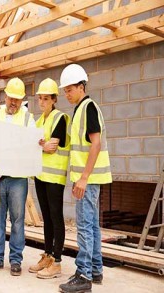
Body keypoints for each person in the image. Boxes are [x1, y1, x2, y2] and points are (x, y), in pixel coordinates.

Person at [58, 64, 112, 293]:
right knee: (92, 226)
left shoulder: (88, 108)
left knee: (84, 226)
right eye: (65, 91)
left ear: (81, 87)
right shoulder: (80, 109)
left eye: (69, 90)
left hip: (88, 180)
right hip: (88, 179)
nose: (67, 94)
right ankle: (96, 270)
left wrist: (83, 178)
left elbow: (96, 143)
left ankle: (84, 276)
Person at [0, 77, 35, 276]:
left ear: (22, 100)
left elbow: (34, 144)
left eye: (17, 100)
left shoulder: (28, 119)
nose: (13, 103)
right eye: (11, 98)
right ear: (5, 97)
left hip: (18, 179)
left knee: (18, 220)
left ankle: (15, 260)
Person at [28, 78, 70, 279]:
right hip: (41, 175)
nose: (42, 102)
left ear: (54, 99)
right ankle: (48, 255)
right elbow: (34, 145)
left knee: (56, 216)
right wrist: (40, 145)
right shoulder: (39, 121)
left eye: (46, 98)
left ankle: (58, 262)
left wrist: (41, 145)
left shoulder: (60, 118)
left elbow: (52, 146)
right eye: (40, 98)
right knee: (46, 218)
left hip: (54, 177)